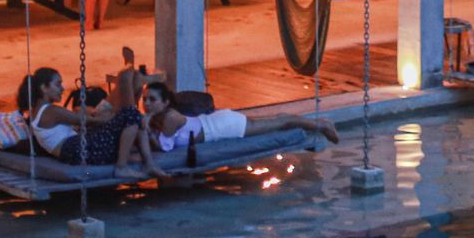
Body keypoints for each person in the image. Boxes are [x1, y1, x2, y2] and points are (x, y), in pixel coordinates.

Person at [121, 80, 337, 180]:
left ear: (165, 102)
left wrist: (146, 128)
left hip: (223, 127)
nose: (146, 104)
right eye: (144, 99)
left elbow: (164, 148)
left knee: (278, 123)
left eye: (152, 100)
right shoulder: (158, 118)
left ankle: (322, 124)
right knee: (275, 121)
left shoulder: (170, 118)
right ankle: (319, 122)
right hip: (216, 121)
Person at [16, 65, 148, 170]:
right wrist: (116, 115)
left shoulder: (39, 111)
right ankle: (122, 167)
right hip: (79, 149)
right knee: (132, 113)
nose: (62, 89)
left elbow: (79, 119)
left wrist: (102, 113)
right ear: (44, 88)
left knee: (132, 84)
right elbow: (93, 121)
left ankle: (143, 158)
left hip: (77, 147)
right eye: (58, 84)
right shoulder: (50, 111)